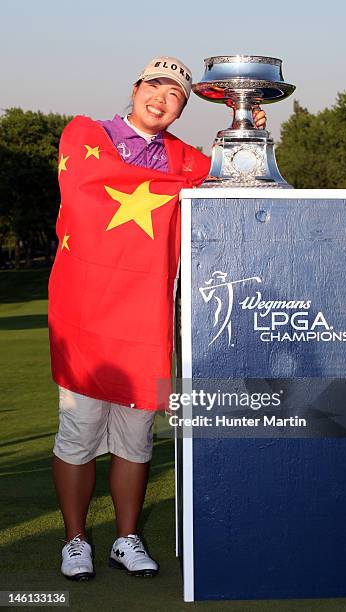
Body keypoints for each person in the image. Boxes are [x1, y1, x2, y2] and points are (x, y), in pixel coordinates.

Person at [49, 56, 266, 581]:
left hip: (143, 318)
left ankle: (126, 538)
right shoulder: (86, 133)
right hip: (84, 316)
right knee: (78, 436)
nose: (162, 98)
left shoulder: (184, 158)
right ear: (136, 88)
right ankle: (74, 541)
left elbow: (228, 186)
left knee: (134, 438)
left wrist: (245, 141)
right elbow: (92, 181)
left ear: (181, 108)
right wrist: (183, 181)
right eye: (156, 86)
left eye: (176, 95)